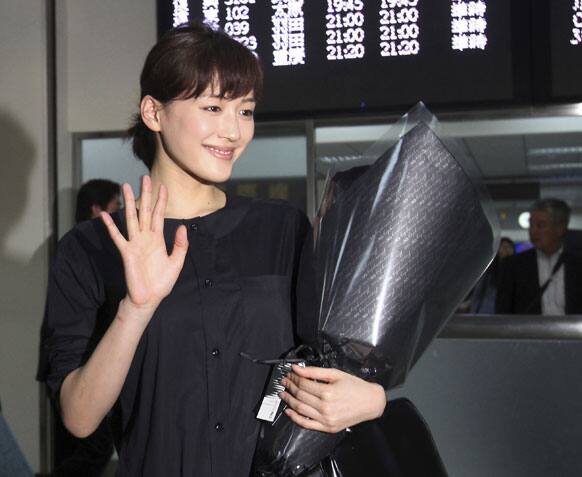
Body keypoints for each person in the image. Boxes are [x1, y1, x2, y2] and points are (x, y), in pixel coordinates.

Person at [42, 22, 386, 477]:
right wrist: (136, 309)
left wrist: (371, 397)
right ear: (153, 112)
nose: (234, 132)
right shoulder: (91, 249)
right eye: (213, 107)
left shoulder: (282, 228)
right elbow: (79, 418)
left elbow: (331, 354)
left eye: (245, 111)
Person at [496, 198, 582, 315]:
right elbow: (503, 311)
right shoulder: (513, 266)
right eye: (531, 224)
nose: (533, 231)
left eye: (540, 225)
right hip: (529, 332)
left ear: (560, 229)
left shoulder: (577, 265)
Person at [468, 237, 515, 314]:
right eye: (504, 247)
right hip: (487, 314)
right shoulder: (489, 272)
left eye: (510, 247)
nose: (507, 251)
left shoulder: (516, 272)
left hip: (506, 315)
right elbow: (478, 294)